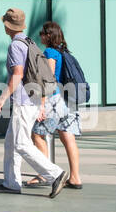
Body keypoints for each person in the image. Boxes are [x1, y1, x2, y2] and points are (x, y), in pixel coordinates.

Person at [0, 7, 67, 197]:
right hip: (32, 100)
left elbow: (18, 74)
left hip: (23, 102)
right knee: (11, 143)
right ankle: (11, 182)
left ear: (8, 26)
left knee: (22, 144)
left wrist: (2, 97)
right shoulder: (29, 42)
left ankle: (55, 174)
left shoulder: (16, 45)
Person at [26, 21, 83, 189]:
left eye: (42, 33)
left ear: (48, 35)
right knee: (68, 138)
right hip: (67, 101)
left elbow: (48, 79)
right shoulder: (63, 51)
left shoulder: (50, 52)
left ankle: (44, 174)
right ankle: (75, 177)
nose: (40, 36)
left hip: (54, 100)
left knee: (37, 135)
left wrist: (42, 104)